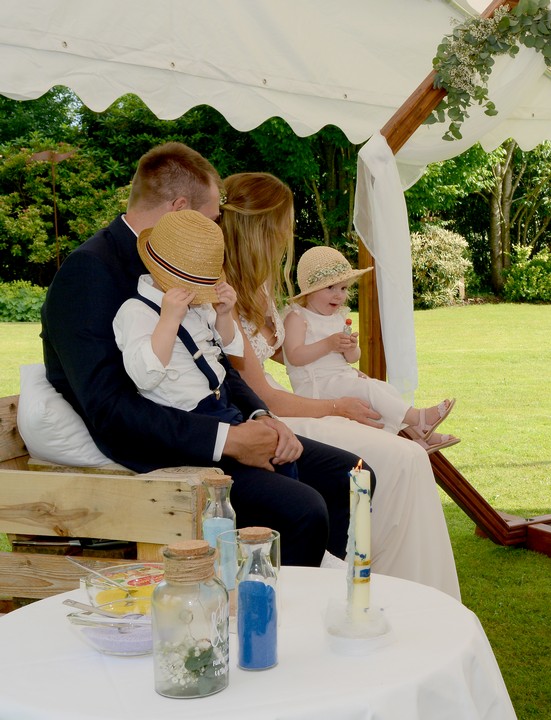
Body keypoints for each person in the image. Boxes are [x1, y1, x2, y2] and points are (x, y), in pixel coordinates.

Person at [40, 142, 365, 567]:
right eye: (212, 217)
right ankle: (268, 615)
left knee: (352, 476)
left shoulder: (181, 261)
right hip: (164, 446)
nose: (218, 228)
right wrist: (228, 441)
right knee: (303, 509)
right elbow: (110, 408)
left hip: (220, 420)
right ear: (179, 210)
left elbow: (212, 358)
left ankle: (322, 598)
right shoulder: (90, 272)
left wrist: (263, 418)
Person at [218, 171, 460, 599]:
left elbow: (283, 352)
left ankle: (412, 594)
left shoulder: (259, 287)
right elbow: (267, 395)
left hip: (303, 403)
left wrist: (340, 361)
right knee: (402, 460)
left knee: (408, 459)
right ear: (261, 230)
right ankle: (386, 588)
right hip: (277, 415)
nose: (288, 235)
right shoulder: (223, 299)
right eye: (284, 226)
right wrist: (339, 406)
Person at [283, 245, 459, 454]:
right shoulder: (298, 318)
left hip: (340, 379)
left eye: (343, 288)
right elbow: (294, 356)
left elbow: (352, 359)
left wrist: (350, 349)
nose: (338, 296)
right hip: (316, 388)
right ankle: (418, 419)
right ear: (309, 291)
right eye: (330, 288)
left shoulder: (337, 318)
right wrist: (329, 344)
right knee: (369, 391)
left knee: (384, 390)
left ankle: (417, 437)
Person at [112, 210, 246, 424]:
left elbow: (230, 347)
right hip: (188, 416)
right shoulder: (136, 312)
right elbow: (144, 376)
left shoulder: (198, 306)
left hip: (222, 399)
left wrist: (224, 315)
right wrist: (168, 321)